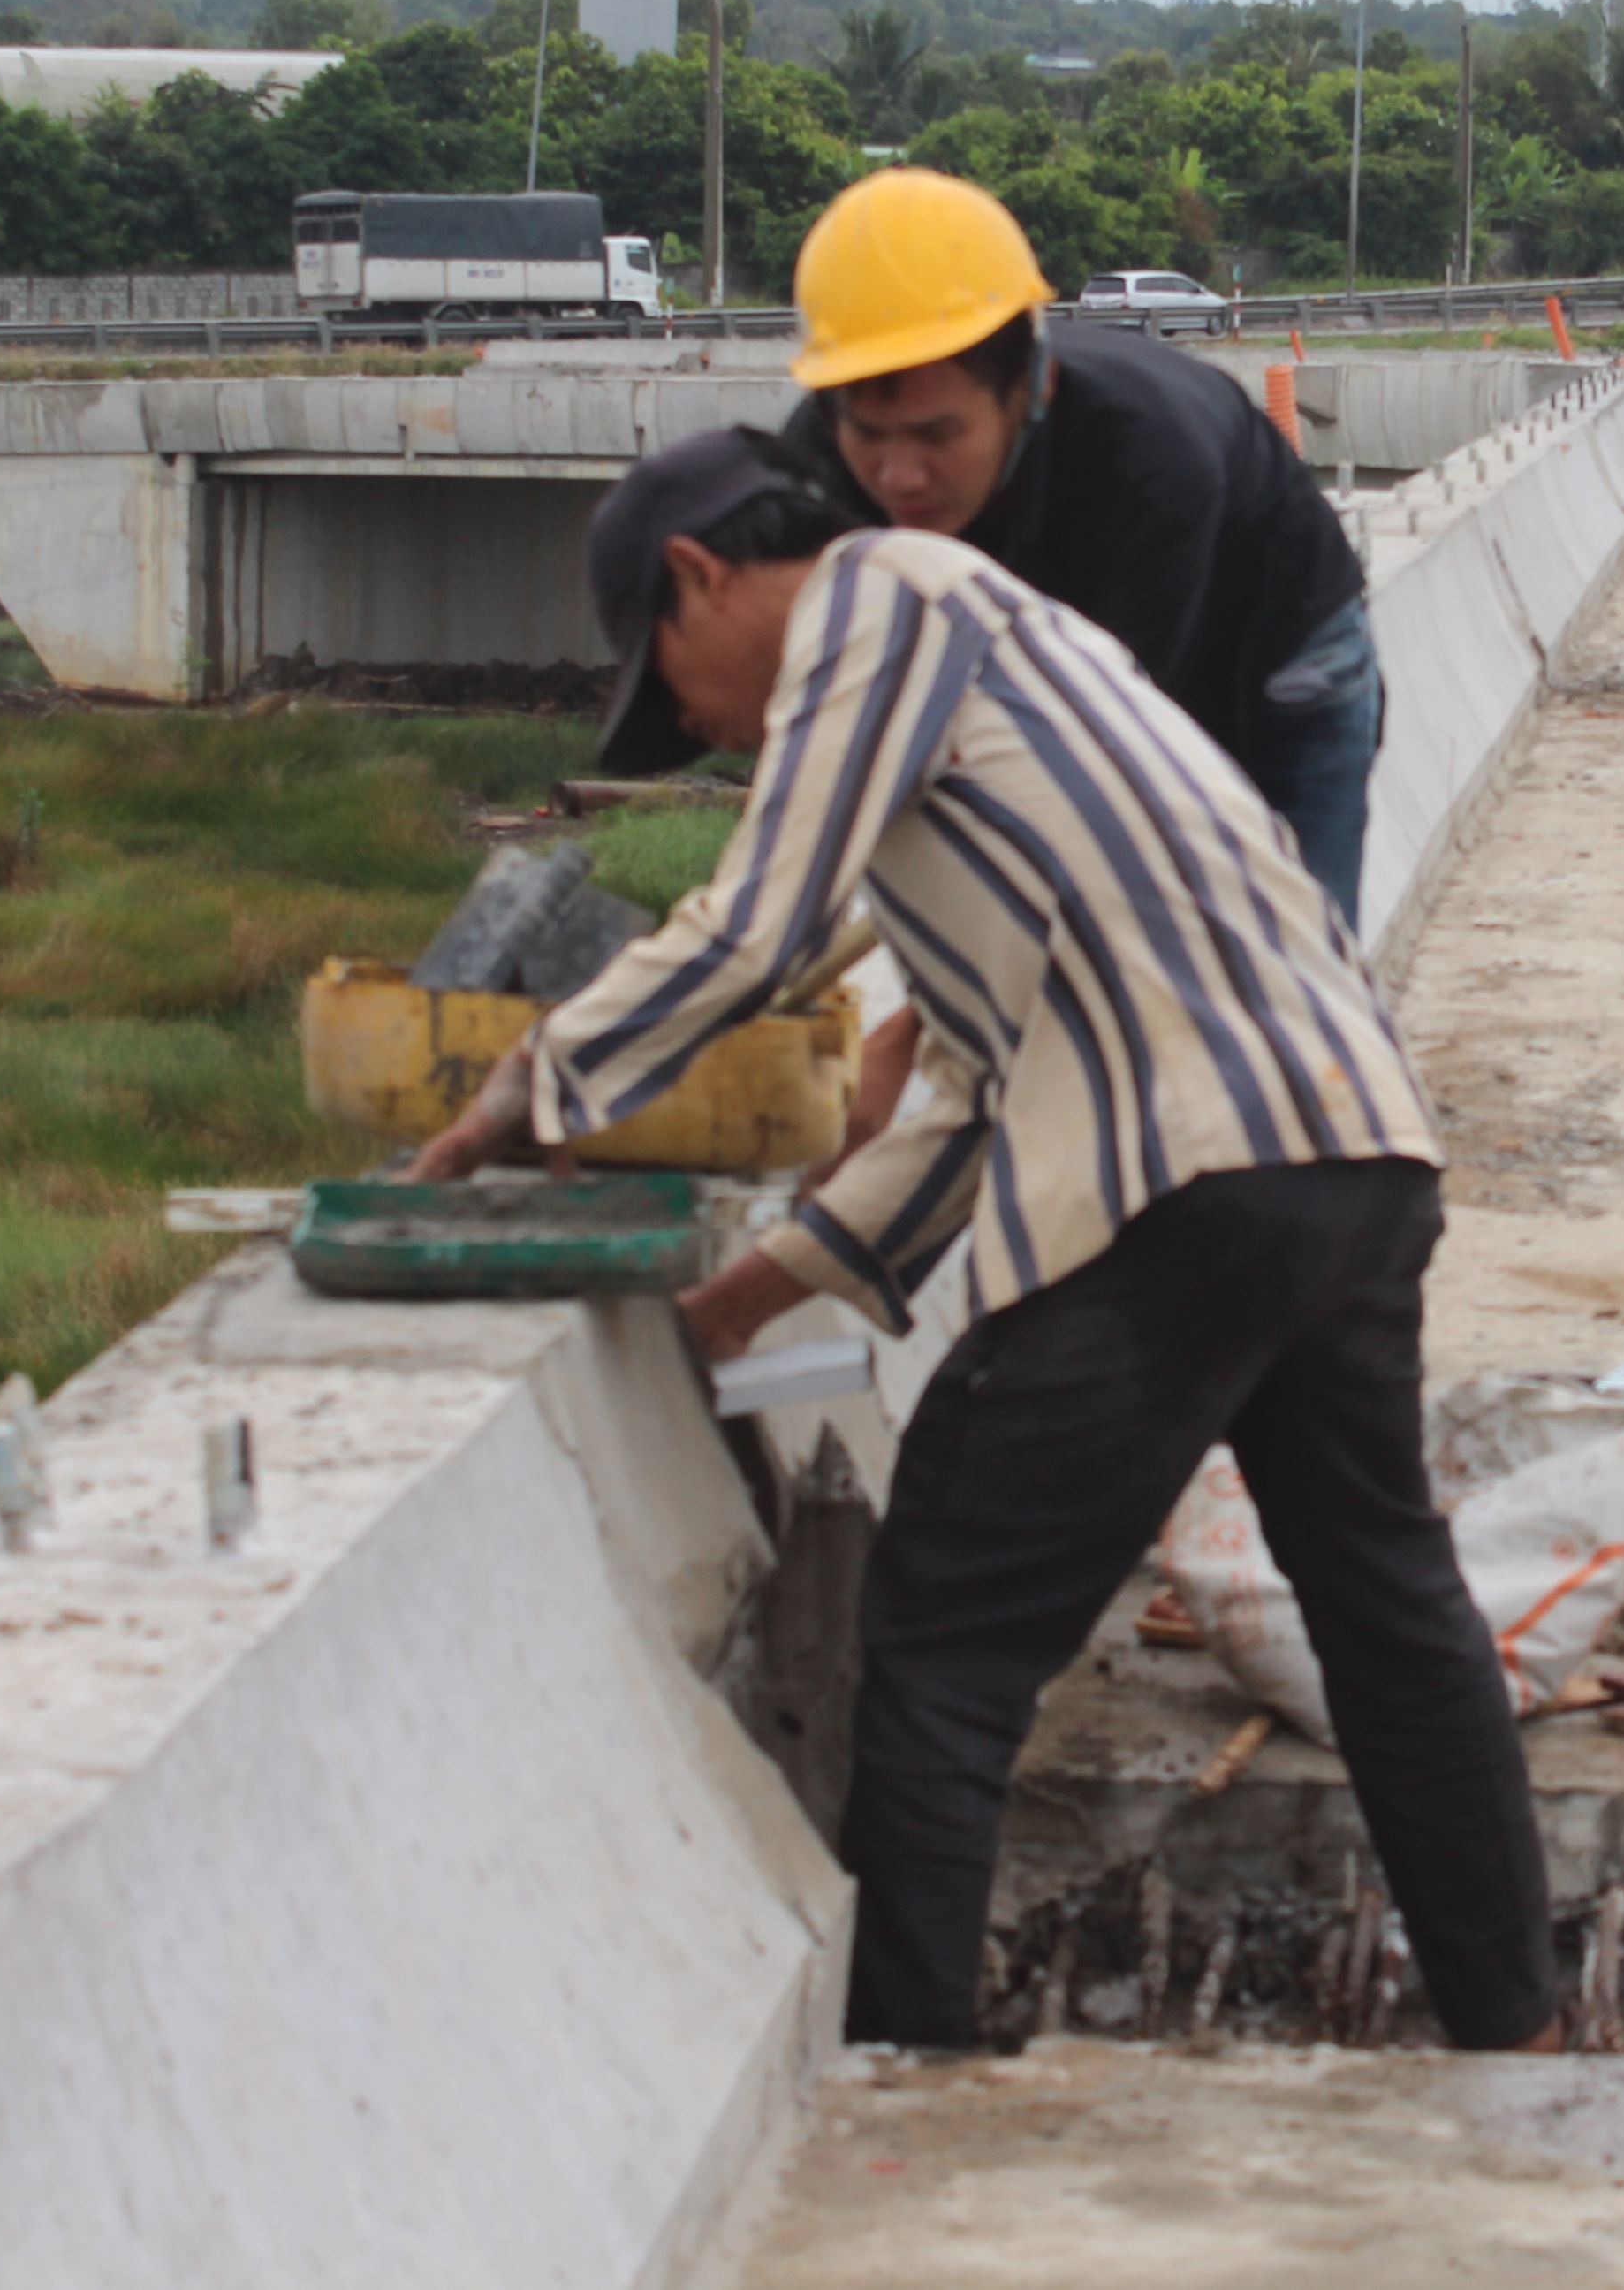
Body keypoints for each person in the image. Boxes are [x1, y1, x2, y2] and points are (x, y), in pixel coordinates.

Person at [402, 423, 1559, 2056]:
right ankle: (1515, 2025)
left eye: (683, 690)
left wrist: (539, 1078)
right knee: (1387, 1607)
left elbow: (756, 921)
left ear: (700, 575)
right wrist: (755, 1290)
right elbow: (966, 1085)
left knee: (944, 1632)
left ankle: (907, 2064)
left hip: (1186, 1183)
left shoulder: (887, 601)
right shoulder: (1011, 688)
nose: (711, 733)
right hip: (1347, 1160)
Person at [776, 170, 1384, 924]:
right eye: (869, 434)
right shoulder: (819, 455)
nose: (899, 476)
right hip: (1096, 664)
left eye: (939, 434)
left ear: (1034, 386)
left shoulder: (1150, 462)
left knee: (1292, 967)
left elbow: (1112, 763)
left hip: (1278, 660)